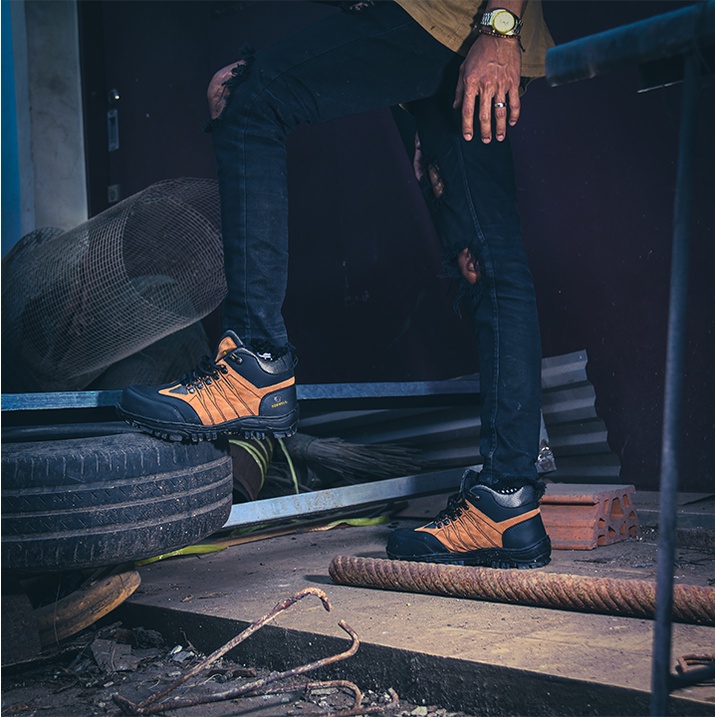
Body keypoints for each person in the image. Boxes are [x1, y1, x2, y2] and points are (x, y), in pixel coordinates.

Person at [118, 0, 554, 569]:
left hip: (456, 19)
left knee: (249, 96)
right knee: (484, 259)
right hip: (453, 39)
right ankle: (505, 503)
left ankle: (253, 365)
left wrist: (501, 27)